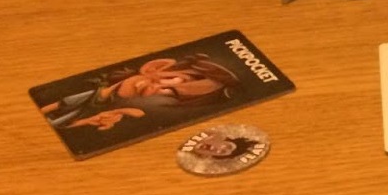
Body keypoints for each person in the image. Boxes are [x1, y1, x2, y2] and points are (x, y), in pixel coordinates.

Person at [39, 54, 240, 130]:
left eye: (169, 92)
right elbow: (60, 104)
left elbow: (68, 123)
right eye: (171, 80)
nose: (157, 89)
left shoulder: (115, 111)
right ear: (155, 66)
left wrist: (87, 121)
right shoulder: (94, 89)